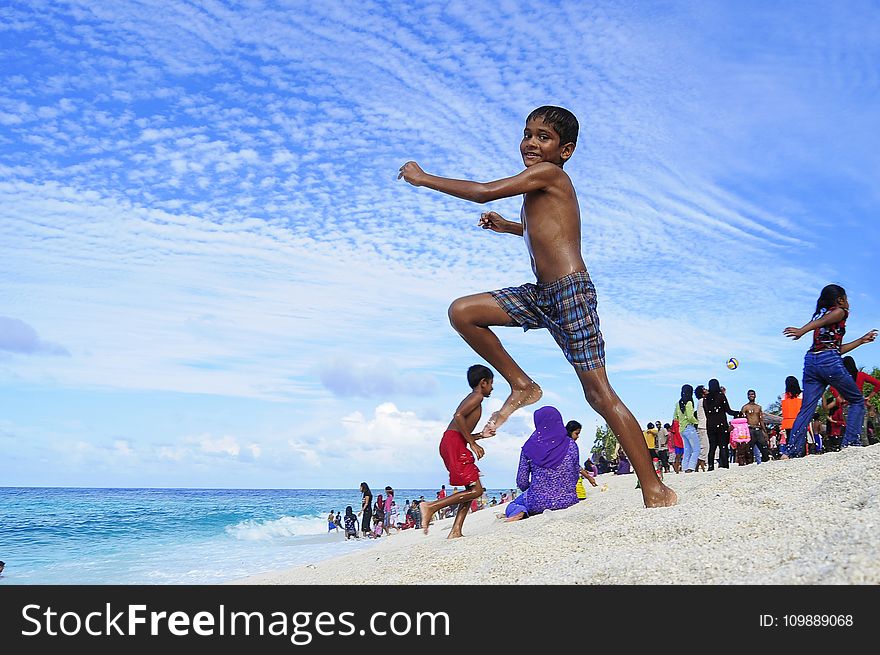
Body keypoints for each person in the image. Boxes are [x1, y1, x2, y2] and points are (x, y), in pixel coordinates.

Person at [399, 106, 675, 508]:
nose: (531, 142)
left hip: (569, 294)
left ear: (566, 150)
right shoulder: (537, 187)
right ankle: (521, 384)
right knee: (463, 312)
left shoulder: (550, 174)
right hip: (541, 295)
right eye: (527, 133)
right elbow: (545, 230)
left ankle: (654, 487)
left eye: (543, 137)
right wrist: (509, 226)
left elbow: (483, 190)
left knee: (598, 394)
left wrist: (423, 179)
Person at [782, 284, 877, 458]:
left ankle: (790, 452)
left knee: (806, 410)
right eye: (846, 299)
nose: (848, 303)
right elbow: (827, 339)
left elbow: (837, 349)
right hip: (828, 362)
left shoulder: (824, 317)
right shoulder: (840, 311)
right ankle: (850, 444)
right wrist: (802, 330)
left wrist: (861, 341)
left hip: (812, 362)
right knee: (856, 400)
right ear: (840, 300)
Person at [418, 364, 495, 538]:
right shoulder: (477, 397)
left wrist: (481, 436)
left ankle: (456, 530)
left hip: (452, 442)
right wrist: (473, 445)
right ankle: (431, 507)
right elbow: (458, 416)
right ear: (483, 382)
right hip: (454, 443)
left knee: (471, 487)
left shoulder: (474, 397)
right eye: (491, 383)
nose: (492, 387)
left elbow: (460, 431)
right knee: (477, 491)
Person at [513, 406, 583, 518]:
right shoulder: (571, 444)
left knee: (513, 505)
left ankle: (521, 512)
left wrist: (540, 488)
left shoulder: (529, 447)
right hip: (569, 500)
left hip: (537, 503)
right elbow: (575, 475)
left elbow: (522, 482)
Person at [829, 356, 880, 446]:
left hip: (846, 406)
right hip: (860, 405)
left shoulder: (842, 377)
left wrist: (838, 398)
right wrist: (869, 397)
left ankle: (851, 448)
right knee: (862, 431)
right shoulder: (861, 375)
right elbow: (878, 384)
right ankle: (864, 451)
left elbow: (832, 387)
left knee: (850, 431)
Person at [703, 379, 737, 470]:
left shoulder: (705, 399)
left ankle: (711, 466)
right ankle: (725, 465)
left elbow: (706, 413)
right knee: (723, 446)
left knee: (712, 447)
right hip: (721, 424)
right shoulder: (721, 396)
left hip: (710, 425)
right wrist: (737, 413)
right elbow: (728, 410)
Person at [673, 385, 700, 473]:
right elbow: (690, 416)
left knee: (687, 449)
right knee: (696, 449)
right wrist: (697, 422)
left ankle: (685, 467)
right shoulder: (689, 402)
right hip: (689, 427)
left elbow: (675, 417)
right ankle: (691, 467)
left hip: (681, 429)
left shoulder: (678, 403)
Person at [740, 389, 771, 464]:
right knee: (749, 449)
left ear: (755, 395)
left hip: (758, 429)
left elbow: (761, 420)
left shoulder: (758, 407)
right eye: (750, 394)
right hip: (749, 429)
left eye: (752, 394)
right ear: (747, 396)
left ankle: (765, 462)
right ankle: (749, 464)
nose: (751, 396)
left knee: (764, 447)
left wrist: (765, 432)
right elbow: (742, 420)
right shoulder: (745, 407)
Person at [780, 376, 803, 448]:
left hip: (788, 423)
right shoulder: (801, 395)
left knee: (790, 442)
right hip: (800, 421)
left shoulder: (783, 396)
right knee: (800, 442)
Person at [694, 385, 709, 471]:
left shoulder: (701, 401)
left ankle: (700, 464)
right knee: (705, 446)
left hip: (703, 426)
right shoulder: (703, 401)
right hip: (703, 426)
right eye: (704, 389)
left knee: (705, 446)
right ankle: (700, 462)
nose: (706, 390)